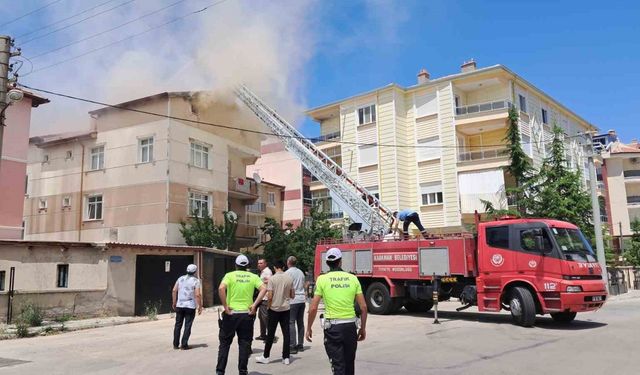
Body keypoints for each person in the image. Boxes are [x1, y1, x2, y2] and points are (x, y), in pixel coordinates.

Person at [306, 248, 368, 375]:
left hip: (333, 328)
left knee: (338, 366)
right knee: (349, 365)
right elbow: (363, 307)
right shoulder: (352, 278)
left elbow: (313, 307)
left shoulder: (322, 279)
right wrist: (363, 328)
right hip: (350, 327)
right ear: (340, 262)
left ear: (327, 263)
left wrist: (309, 328)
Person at [216, 255, 267, 375]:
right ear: (247, 265)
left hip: (231, 314)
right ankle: (243, 371)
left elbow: (221, 288)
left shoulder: (229, 275)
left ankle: (220, 371)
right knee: (244, 344)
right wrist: (254, 305)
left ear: (236, 265)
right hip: (246, 315)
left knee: (224, 344)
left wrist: (225, 306)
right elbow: (264, 289)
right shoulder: (253, 276)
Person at [255, 259, 294, 365]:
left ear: (275, 267)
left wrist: (268, 306)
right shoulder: (289, 278)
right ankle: (286, 357)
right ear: (283, 267)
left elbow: (270, 296)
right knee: (286, 333)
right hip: (286, 309)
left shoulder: (272, 279)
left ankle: (266, 356)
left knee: (271, 334)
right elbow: (292, 295)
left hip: (274, 309)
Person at [172, 264, 202, 350]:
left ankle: (175, 344)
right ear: (195, 271)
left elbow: (174, 290)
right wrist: (199, 306)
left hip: (180, 305)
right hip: (190, 306)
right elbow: (197, 294)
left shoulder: (180, 278)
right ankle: (184, 345)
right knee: (187, 325)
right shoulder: (196, 281)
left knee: (178, 325)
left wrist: (174, 302)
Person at [285, 255, 306, 354]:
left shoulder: (288, 273)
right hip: (302, 299)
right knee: (300, 322)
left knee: (291, 322)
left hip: (293, 300)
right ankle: (300, 344)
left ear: (288, 262)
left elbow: (286, 287)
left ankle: (292, 345)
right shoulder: (300, 272)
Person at [255, 258, 273, 341]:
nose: (259, 264)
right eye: (258, 263)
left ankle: (270, 336)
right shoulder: (263, 272)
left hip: (265, 298)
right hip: (261, 297)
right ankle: (263, 335)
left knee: (265, 318)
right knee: (261, 317)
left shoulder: (267, 272)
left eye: (261, 263)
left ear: (265, 264)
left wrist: (261, 281)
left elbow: (270, 281)